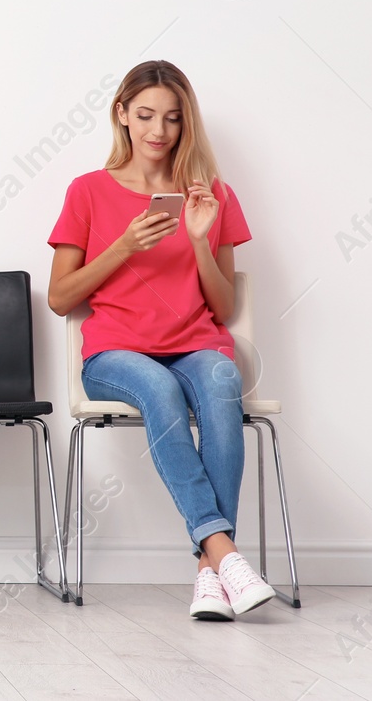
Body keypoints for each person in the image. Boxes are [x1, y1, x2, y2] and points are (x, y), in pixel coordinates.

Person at [48, 60, 277, 620]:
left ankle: (208, 573)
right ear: (121, 115)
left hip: (196, 345)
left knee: (223, 377)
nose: (158, 131)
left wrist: (200, 240)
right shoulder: (88, 192)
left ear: (186, 123)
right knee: (159, 387)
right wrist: (124, 246)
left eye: (172, 119)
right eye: (145, 115)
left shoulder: (212, 194)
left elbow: (224, 308)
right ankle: (224, 550)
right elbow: (60, 298)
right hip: (115, 354)